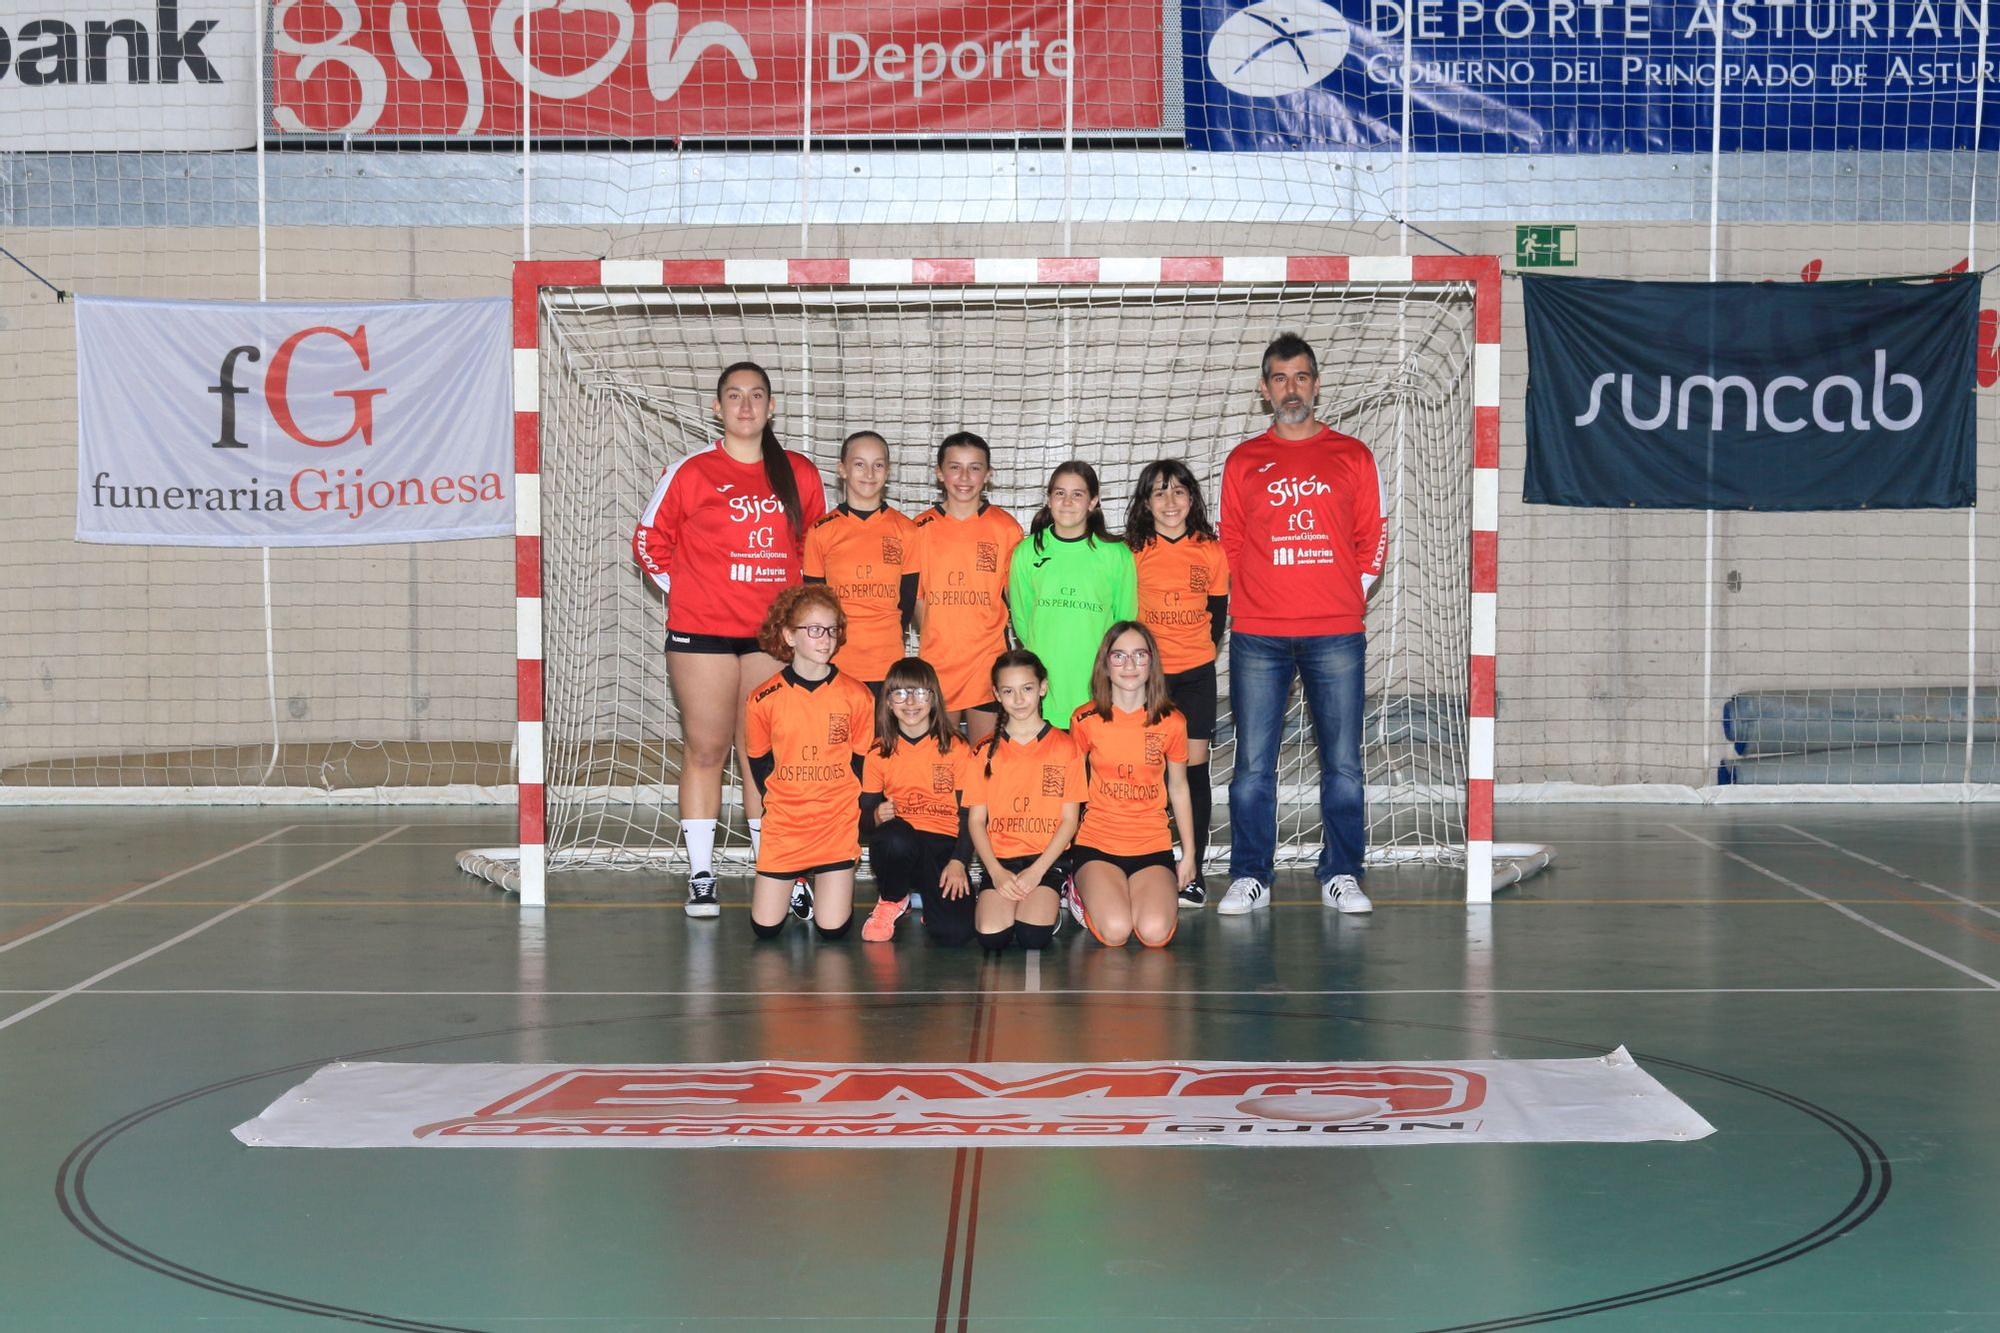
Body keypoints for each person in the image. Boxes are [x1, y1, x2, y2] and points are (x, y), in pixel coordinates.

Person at [634, 361, 827, 919]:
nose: (746, 406)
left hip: (772, 640)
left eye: (757, 396)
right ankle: (701, 875)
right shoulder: (691, 472)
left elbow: (817, 552)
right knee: (706, 749)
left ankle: (779, 872)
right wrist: (688, 592)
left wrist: (804, 619)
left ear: (771, 408)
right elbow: (648, 541)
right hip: (703, 635)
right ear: (717, 409)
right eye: (734, 396)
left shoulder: (799, 474)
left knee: (765, 756)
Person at [1216, 333, 1385, 918]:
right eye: (1280, 378)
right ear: (1265, 391)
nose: (1292, 388)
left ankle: (1341, 871)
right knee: (1252, 766)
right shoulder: (1243, 461)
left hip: (1335, 631)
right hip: (1257, 633)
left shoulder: (1354, 456)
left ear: (1317, 385)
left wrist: (1344, 596)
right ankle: (1250, 874)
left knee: (1342, 764)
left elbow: (1372, 539)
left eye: (1302, 377)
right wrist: (1256, 599)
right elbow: (1231, 542)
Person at [742, 585, 877, 941]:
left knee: (833, 930)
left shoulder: (857, 695)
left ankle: (825, 875)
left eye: (832, 630)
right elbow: (759, 763)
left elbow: (861, 764)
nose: (826, 639)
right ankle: (797, 877)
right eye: (814, 630)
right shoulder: (763, 699)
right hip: (786, 827)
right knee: (765, 929)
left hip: (835, 825)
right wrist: (787, 798)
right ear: (789, 635)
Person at [1126, 459, 1230, 908]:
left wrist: (1192, 656)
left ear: (1192, 498)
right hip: (1149, 681)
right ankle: (1139, 861)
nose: (1170, 502)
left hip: (1195, 677)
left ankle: (1193, 868)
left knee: (1191, 772)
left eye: (1179, 492)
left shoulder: (1211, 551)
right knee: (1146, 769)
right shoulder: (1133, 552)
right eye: (1160, 493)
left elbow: (1217, 619)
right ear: (1146, 503)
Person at [1066, 623, 1198, 948]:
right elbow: (1070, 789)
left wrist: (1190, 854)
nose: (1129, 665)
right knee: (1115, 931)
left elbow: (1179, 788)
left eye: (1139, 655)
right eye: (1119, 656)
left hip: (1151, 844)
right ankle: (1078, 889)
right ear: (1105, 664)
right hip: (1098, 843)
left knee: (1154, 934)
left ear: (1151, 663)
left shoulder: (1173, 722)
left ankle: (1139, 894)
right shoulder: (1085, 720)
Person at [964, 650, 1083, 954]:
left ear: (1042, 687)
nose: (1018, 699)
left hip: (1045, 859)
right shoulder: (983, 751)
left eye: (1027, 689)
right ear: (997, 695)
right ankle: (995, 895)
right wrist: (995, 871)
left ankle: (1059, 892)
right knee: (991, 938)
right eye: (1008, 691)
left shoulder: (1065, 747)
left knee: (1032, 936)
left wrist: (1037, 871)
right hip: (1000, 860)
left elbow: (1070, 820)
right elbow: (976, 821)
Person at [910, 431, 1023, 745]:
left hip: (987, 665)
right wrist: (938, 635)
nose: (964, 477)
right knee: (940, 763)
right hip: (937, 665)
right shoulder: (918, 529)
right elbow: (916, 599)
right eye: (955, 467)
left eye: (974, 468)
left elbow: (1016, 598)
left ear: (988, 475)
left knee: (985, 762)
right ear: (939, 472)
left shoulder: (1006, 528)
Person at [1008, 460, 1136, 728]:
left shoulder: (1116, 554)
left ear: (1093, 502)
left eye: (1077, 494)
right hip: (1045, 689)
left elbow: (1125, 623)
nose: (1067, 502)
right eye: (1059, 493)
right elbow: (1022, 619)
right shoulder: (1027, 552)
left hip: (1096, 685)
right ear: (1049, 499)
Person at [859, 658, 976, 946]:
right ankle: (893, 899)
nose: (910, 702)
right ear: (887, 702)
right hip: (903, 844)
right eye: (900, 693)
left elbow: (970, 814)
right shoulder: (878, 752)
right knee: (893, 838)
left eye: (920, 693)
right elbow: (863, 825)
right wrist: (876, 817)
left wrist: (960, 861)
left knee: (955, 934)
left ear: (934, 699)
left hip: (943, 850)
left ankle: (930, 901)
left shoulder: (957, 748)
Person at [803, 430, 920, 696]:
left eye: (878, 465)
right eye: (859, 464)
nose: (869, 473)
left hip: (887, 663)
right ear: (842, 470)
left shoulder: (907, 530)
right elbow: (813, 601)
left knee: (883, 739)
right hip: (834, 663)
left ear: (887, 472)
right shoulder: (821, 531)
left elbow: (907, 601)